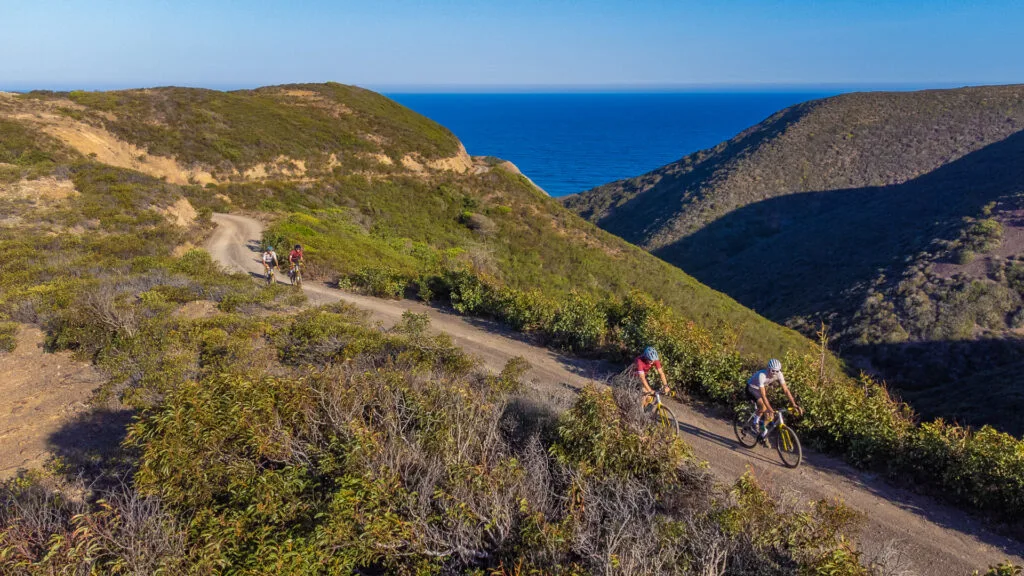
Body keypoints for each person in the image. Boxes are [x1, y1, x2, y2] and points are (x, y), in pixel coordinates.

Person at [747, 358, 802, 444]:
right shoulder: (762, 375)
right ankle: (754, 423)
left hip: (760, 388)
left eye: (777, 371)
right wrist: (769, 409)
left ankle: (762, 431)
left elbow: (786, 390)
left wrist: (794, 404)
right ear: (768, 368)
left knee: (770, 417)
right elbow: (763, 395)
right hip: (751, 388)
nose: (774, 373)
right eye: (773, 371)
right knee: (764, 407)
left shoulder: (779, 374)